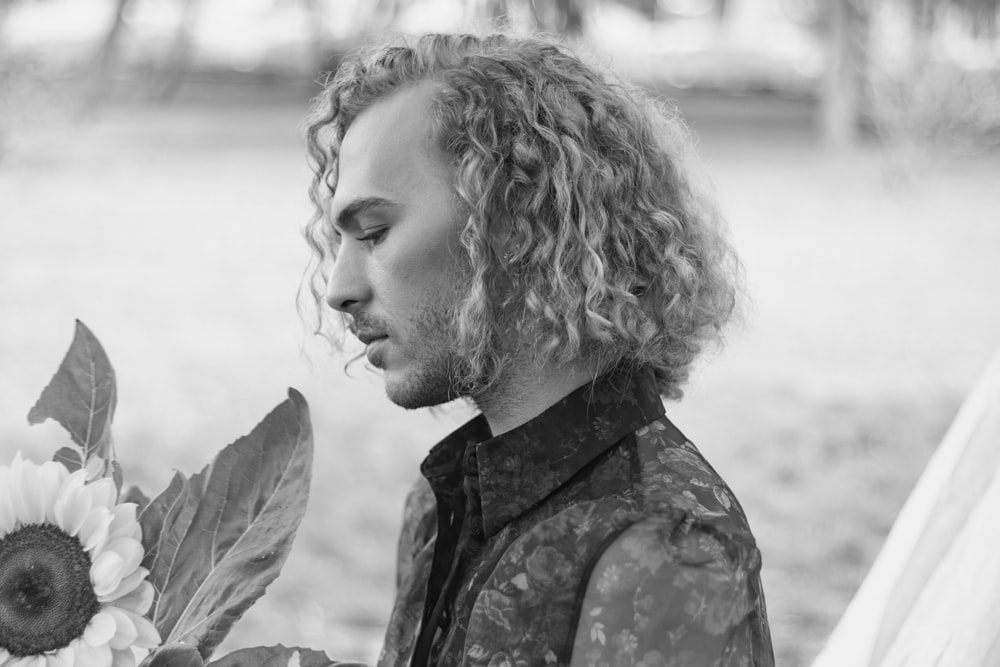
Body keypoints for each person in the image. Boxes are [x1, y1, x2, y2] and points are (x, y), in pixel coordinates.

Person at [303, 32, 773, 667]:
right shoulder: (442, 503)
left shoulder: (663, 547)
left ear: (517, 221)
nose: (338, 289)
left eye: (376, 232)